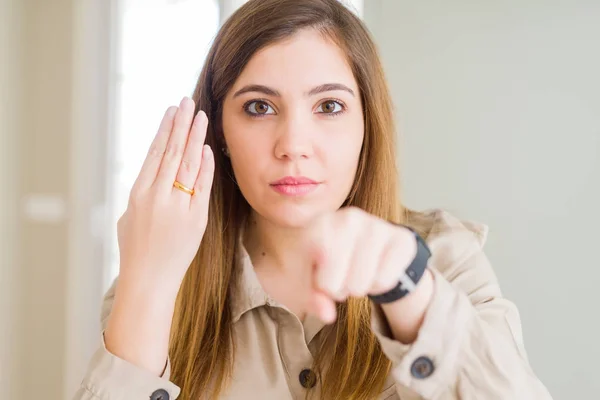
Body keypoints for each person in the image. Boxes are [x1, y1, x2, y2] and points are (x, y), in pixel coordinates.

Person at [74, 0, 553, 399]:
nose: (293, 144)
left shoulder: (446, 259)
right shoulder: (160, 277)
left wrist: (409, 293)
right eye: (259, 107)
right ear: (219, 132)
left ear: (368, 126)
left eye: (329, 106)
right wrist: (149, 282)